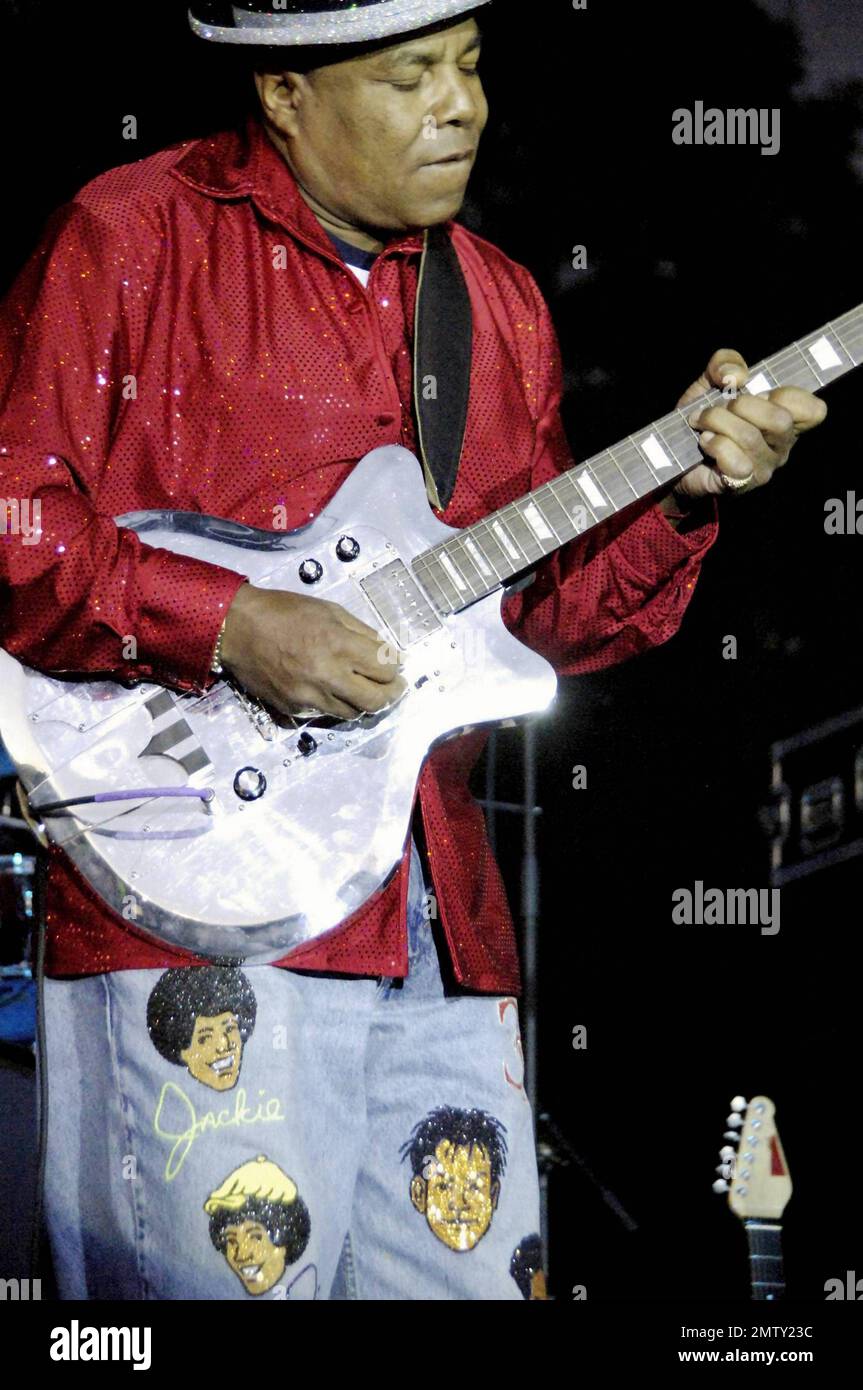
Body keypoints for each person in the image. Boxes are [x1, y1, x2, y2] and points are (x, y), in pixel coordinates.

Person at [0, 0, 827, 1300]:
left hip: (444, 935)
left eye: (471, 65)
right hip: (199, 919)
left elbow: (545, 617)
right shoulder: (130, 235)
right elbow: (16, 526)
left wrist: (681, 498)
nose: (461, 106)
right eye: (409, 75)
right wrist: (227, 621)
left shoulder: (492, 304)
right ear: (283, 91)